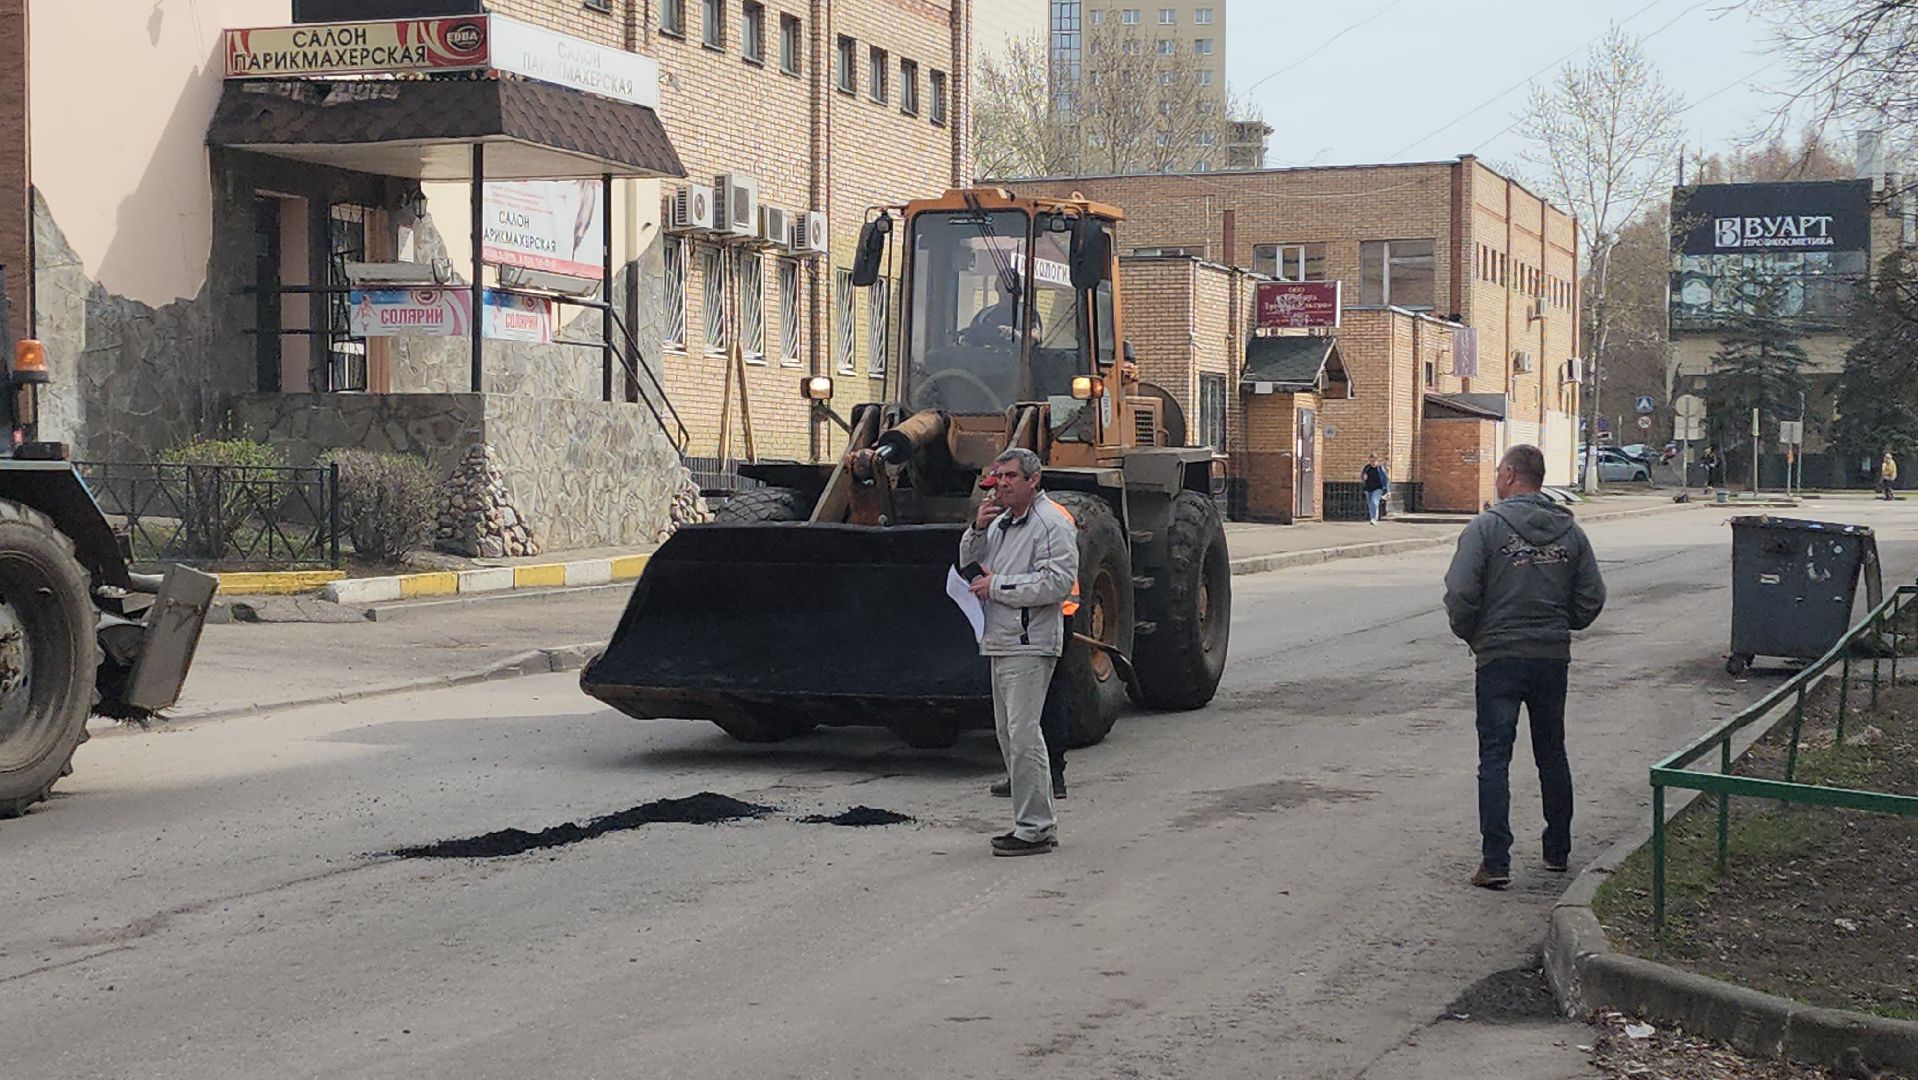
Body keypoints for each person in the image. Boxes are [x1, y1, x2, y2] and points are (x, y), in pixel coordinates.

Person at [1442, 444, 1607, 890]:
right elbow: (1592, 597)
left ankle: (1495, 862)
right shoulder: (1571, 533)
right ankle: (1557, 850)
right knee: (1552, 751)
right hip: (1551, 657)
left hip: (1498, 658)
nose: (1497, 477)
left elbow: (1460, 593)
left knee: (1494, 758)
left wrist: (1474, 634)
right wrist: (1560, 624)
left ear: (1512, 475)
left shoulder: (1486, 529)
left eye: (1499, 471)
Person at [960, 448, 1079, 856]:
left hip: (1031, 643)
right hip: (1000, 639)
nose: (1003, 483)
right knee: (1010, 735)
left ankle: (1035, 828)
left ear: (1034, 480)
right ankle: (1036, 820)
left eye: (1011, 476)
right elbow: (968, 563)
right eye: (999, 476)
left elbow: (1057, 583)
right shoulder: (1000, 522)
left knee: (1025, 736)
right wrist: (976, 529)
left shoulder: (1050, 524)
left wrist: (997, 588)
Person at [1361, 454, 1391, 525]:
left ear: (1377, 460)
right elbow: (1363, 475)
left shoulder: (1380, 468)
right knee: (1370, 503)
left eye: (1374, 460)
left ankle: (1374, 518)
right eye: (1371, 460)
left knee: (1374, 502)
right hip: (1368, 488)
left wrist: (1387, 490)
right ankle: (1372, 518)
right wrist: (1363, 477)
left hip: (1378, 488)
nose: (1372, 462)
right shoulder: (1367, 468)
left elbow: (1386, 479)